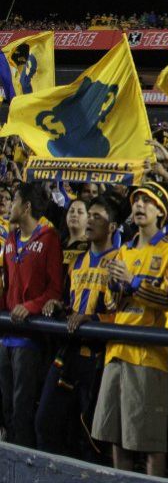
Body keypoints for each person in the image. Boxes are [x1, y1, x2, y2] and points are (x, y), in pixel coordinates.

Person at [91, 181, 168, 477]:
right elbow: (112, 302)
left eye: (148, 201)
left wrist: (133, 282)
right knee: (117, 437)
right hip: (116, 351)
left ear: (161, 211)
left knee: (151, 442)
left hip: (148, 357)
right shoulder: (123, 251)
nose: (139, 205)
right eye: (137, 200)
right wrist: (114, 289)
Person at [37, 193, 126, 458]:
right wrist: (57, 305)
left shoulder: (122, 260)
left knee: (89, 435)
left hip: (98, 360)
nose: (89, 221)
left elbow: (123, 312)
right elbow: (68, 301)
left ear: (112, 227)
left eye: (97, 216)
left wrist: (92, 319)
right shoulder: (77, 262)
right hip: (69, 352)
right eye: (90, 215)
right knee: (45, 422)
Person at [0, 181, 64, 448]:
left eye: (13, 199)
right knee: (5, 408)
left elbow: (55, 289)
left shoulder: (49, 239)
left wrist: (32, 306)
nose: (8, 205)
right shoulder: (10, 240)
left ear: (25, 206)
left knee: (22, 407)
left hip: (29, 338)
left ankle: (23, 469)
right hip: (4, 334)